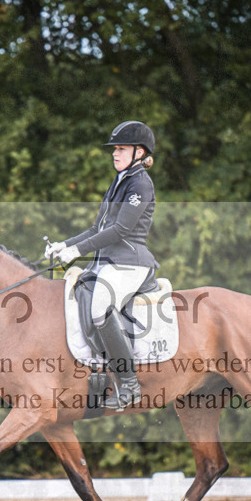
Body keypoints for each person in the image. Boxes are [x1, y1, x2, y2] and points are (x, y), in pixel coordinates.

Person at [46, 121, 159, 410]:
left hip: (130, 262)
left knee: (99, 309)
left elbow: (120, 230)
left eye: (121, 148)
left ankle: (130, 384)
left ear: (139, 151)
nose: (115, 153)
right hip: (108, 261)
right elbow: (97, 227)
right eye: (114, 149)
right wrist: (64, 245)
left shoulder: (140, 183)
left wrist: (77, 251)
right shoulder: (119, 181)